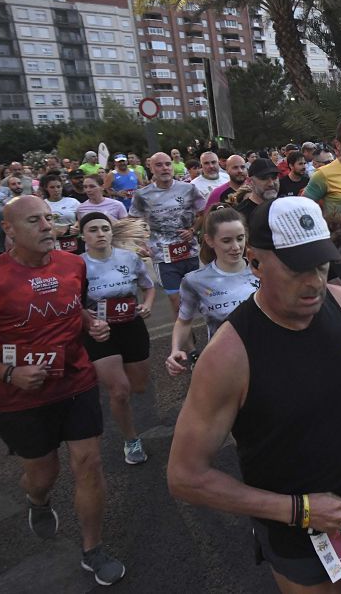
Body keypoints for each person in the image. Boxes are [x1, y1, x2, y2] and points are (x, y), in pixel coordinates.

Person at [166, 197, 341, 592]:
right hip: (298, 530)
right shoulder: (229, 355)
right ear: (255, 261)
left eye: (321, 265)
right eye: (296, 267)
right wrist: (299, 510)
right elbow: (185, 476)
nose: (314, 282)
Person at [0, 196, 126, 585]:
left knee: (88, 464)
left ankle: (93, 549)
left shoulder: (73, 264)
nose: (45, 226)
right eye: (33, 220)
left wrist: (91, 324)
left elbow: (75, 307)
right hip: (22, 397)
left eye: (49, 219)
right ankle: (37, 500)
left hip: (76, 381)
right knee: (43, 475)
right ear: (8, 230)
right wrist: (8, 373)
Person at [79, 211, 155, 465]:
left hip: (131, 326)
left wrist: (147, 305)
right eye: (93, 230)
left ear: (112, 232)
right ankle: (131, 440)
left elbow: (149, 286)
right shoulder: (78, 265)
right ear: (83, 235)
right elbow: (71, 300)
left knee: (139, 387)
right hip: (99, 331)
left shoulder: (129, 258)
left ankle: (114, 382)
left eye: (104, 228)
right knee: (120, 392)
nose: (100, 234)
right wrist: (89, 319)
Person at [165, 205, 259, 376]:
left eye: (240, 238)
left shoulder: (262, 269)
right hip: (225, 365)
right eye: (226, 241)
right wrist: (175, 350)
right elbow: (183, 321)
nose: (236, 247)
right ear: (209, 241)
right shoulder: (195, 281)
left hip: (266, 359)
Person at [129, 152, 206, 318]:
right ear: (151, 168)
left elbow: (203, 213)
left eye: (167, 164)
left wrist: (192, 230)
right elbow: (133, 223)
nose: (164, 168)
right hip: (163, 256)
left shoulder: (188, 188)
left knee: (197, 298)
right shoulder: (142, 195)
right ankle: (186, 341)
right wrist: (141, 245)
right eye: (159, 165)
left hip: (189, 251)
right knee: (175, 300)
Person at [40, 173, 81, 253]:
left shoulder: (73, 201)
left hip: (73, 240)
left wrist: (77, 226)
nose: (56, 190)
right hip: (52, 241)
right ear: (46, 188)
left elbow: (82, 218)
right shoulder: (42, 204)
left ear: (62, 187)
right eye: (52, 187)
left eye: (58, 187)